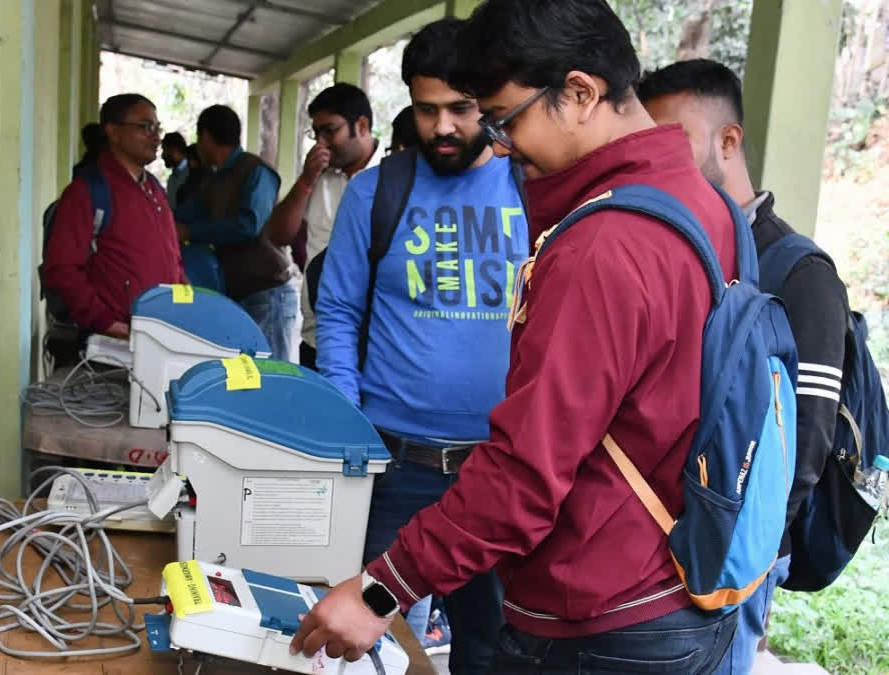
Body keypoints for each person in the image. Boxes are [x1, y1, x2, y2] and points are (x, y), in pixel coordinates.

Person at [292, 2, 743, 672]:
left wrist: (381, 588)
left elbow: (524, 476)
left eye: (504, 119)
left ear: (582, 93)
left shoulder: (602, 244)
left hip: (594, 617)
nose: (499, 144)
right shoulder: (704, 205)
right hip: (678, 589)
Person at [314, 18, 527, 672]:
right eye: (427, 109)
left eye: (462, 109)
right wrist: (350, 428)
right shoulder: (378, 193)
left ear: (489, 102)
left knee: (490, 646)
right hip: (392, 470)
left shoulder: (532, 190)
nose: (442, 128)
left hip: (499, 474)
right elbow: (339, 309)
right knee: (361, 638)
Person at [640, 58, 851, 675]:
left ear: (728, 141)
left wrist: (734, 558)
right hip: (658, 554)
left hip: (728, 564)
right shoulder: (680, 245)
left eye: (672, 142)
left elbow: (804, 446)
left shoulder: (797, 272)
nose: (656, 162)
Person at [40, 94, 185, 343]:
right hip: (114, 342)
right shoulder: (88, 192)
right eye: (145, 127)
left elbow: (173, 260)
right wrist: (105, 322)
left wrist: (187, 306)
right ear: (113, 132)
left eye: (157, 128)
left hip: (160, 337)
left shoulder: (155, 190)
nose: (156, 137)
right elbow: (61, 269)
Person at [264, 83, 381, 369]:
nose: (321, 142)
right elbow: (278, 235)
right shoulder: (319, 179)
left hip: (373, 345)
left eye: (330, 130)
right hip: (316, 340)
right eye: (316, 133)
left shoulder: (391, 176)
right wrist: (306, 180)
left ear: (362, 125)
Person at [175, 105, 299, 361]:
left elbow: (248, 226)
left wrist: (190, 231)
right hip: (237, 292)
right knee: (244, 379)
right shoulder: (214, 178)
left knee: (270, 379)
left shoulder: (256, 171)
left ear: (207, 137)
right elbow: (185, 215)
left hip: (267, 291)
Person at [161, 131, 190, 209]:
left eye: (164, 150)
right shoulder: (171, 180)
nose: (162, 156)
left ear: (174, 149)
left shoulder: (194, 174)